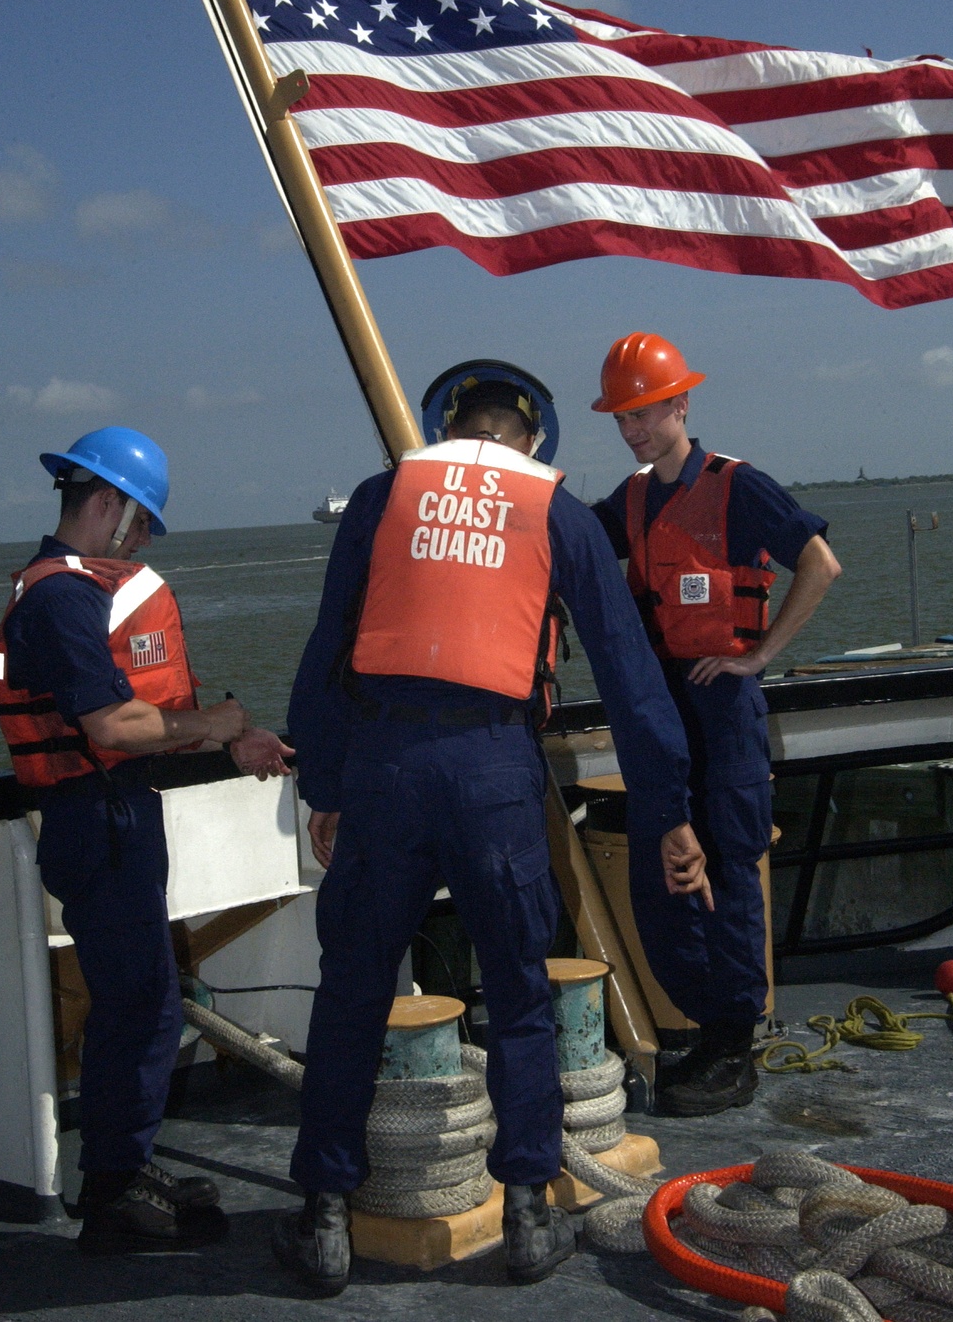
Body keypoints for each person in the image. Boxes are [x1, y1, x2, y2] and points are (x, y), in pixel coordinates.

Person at [278, 361, 708, 1294]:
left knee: (351, 989)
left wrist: (325, 786)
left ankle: (321, 1220)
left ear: (445, 427)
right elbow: (632, 683)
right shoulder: (557, 508)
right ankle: (524, 1211)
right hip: (492, 774)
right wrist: (669, 813)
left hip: (383, 769)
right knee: (515, 993)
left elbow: (325, 653)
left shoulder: (383, 495)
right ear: (532, 438)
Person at [0, 427, 293, 1252]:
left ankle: (122, 1172)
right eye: (144, 520)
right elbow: (114, 723)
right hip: (101, 825)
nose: (148, 539)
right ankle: (116, 1193)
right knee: (144, 1008)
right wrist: (216, 719)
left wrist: (235, 741)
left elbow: (139, 725)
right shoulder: (60, 598)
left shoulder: (69, 592)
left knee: (142, 1003)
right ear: (108, 506)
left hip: (113, 819)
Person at [591, 332, 841, 1117]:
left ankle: (735, 1045)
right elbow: (567, 554)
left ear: (680, 404)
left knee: (730, 870)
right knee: (667, 870)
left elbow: (820, 563)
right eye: (621, 417)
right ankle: (706, 1025)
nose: (632, 430)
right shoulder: (627, 502)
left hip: (723, 707)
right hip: (660, 711)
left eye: (644, 412)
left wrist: (758, 654)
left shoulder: (738, 486)